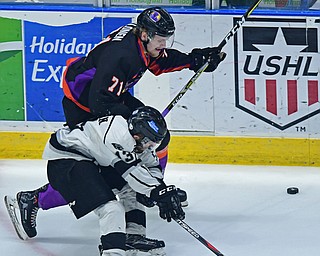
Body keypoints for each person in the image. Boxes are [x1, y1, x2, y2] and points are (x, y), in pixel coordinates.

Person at [5, 6, 225, 242]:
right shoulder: (122, 56)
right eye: (160, 39)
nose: (164, 44)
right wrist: (131, 123)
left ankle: (151, 189)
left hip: (106, 96)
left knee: (157, 136)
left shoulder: (141, 42)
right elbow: (100, 101)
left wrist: (195, 60)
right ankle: (32, 200)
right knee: (103, 170)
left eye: (166, 38)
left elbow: (158, 62)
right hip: (86, 105)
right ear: (144, 35)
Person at [5, 106, 185, 256]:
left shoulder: (138, 143)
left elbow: (152, 168)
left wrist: (162, 190)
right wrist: (155, 192)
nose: (150, 148)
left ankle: (132, 237)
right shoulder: (119, 133)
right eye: (149, 143)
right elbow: (132, 171)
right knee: (111, 208)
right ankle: (112, 252)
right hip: (67, 158)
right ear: (138, 135)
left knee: (131, 190)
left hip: (92, 160)